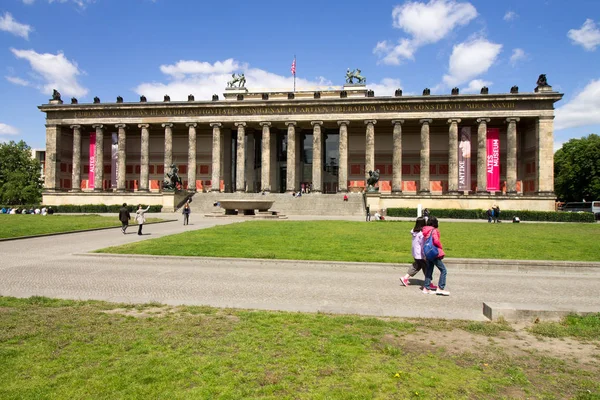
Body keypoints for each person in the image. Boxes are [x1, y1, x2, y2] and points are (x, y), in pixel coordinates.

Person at [400, 217, 438, 289]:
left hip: (415, 253)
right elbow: (423, 245)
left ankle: (405, 278)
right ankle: (428, 283)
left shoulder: (414, 231)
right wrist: (425, 255)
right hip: (420, 254)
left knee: (417, 266)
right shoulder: (421, 234)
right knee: (427, 268)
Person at [421, 217, 450, 296]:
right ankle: (440, 288)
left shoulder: (426, 230)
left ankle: (426, 288)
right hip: (434, 252)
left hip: (428, 252)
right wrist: (441, 247)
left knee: (429, 270)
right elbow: (436, 241)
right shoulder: (434, 230)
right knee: (443, 270)